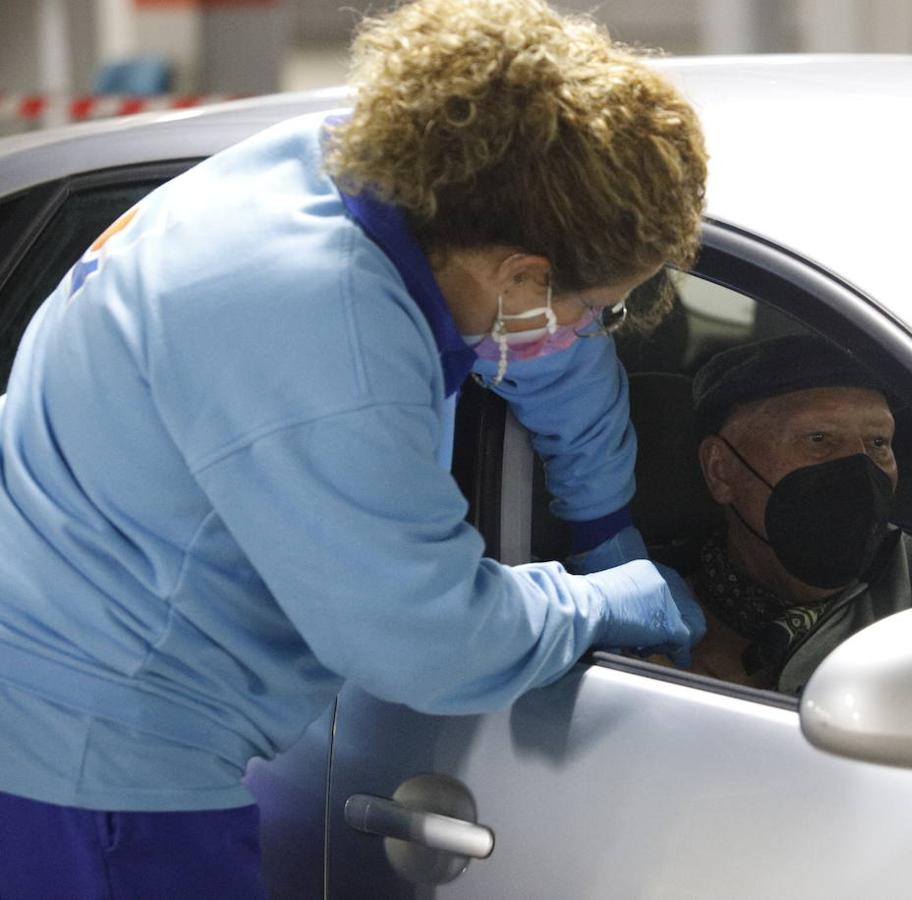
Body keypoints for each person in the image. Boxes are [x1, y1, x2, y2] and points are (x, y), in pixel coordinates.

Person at [0, 1, 707, 895]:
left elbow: (550, 354)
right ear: (521, 272)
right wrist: (602, 601)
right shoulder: (320, 327)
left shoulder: (393, 174)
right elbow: (428, 644)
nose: (583, 328)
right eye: (594, 302)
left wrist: (604, 514)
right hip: (92, 769)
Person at [680, 334, 912, 694]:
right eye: (819, 439)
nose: (860, 467)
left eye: (878, 443)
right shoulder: (657, 591)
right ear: (721, 469)